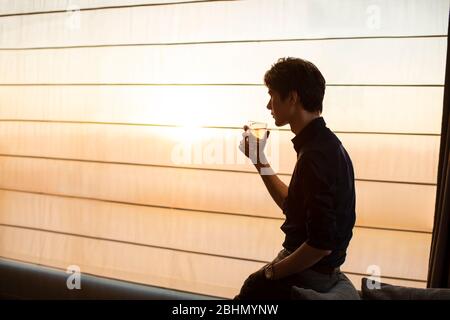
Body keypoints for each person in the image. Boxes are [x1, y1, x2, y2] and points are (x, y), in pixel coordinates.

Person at [235, 57, 356, 300]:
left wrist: (271, 272)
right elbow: (293, 207)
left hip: (310, 272)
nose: (268, 105)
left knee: (251, 288)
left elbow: (321, 245)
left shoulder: (314, 157)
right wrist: (260, 161)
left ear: (292, 97)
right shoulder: (328, 145)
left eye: (272, 95)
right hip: (324, 271)